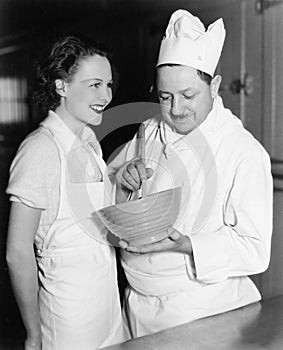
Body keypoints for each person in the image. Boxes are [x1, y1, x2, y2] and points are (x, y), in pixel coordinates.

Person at [108, 10, 273, 338]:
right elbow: (112, 176)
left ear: (214, 86)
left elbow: (255, 250)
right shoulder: (149, 128)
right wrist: (123, 177)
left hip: (201, 311)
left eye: (188, 95)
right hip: (137, 303)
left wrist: (186, 244)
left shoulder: (242, 151)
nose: (175, 109)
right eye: (165, 96)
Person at [6, 34, 128, 350]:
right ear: (62, 86)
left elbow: (94, 220)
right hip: (68, 314)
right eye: (95, 85)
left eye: (109, 85)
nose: (106, 95)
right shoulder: (39, 150)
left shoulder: (88, 140)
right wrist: (33, 333)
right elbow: (17, 253)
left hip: (107, 303)